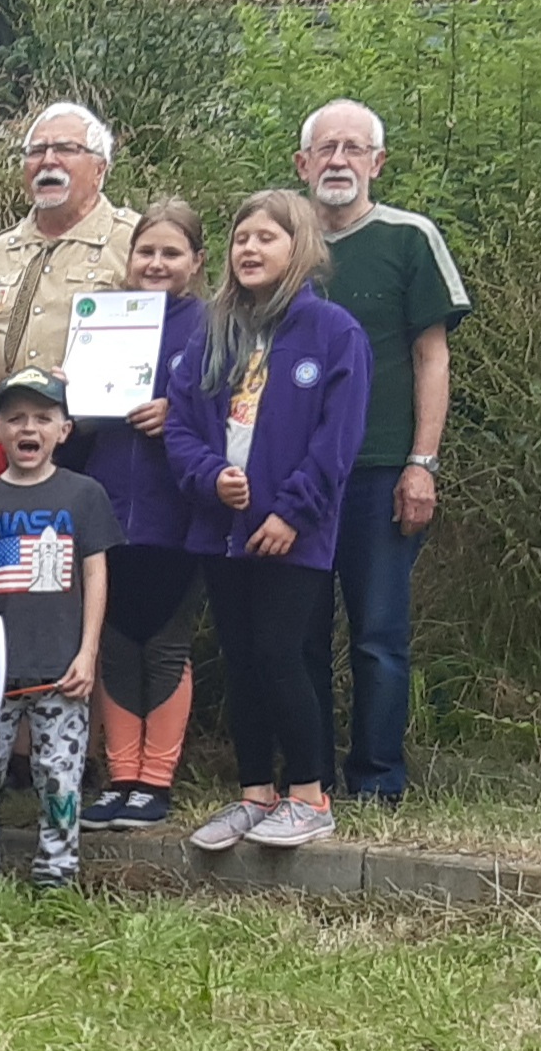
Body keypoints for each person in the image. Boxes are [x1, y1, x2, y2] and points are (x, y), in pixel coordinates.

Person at [165, 191, 371, 855]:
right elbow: (181, 425)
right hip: (221, 529)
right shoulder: (213, 331)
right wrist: (209, 478)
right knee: (242, 658)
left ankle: (309, 795)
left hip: (293, 532)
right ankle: (255, 793)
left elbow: (337, 441)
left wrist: (292, 512)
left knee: (282, 654)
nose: (249, 249)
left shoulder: (334, 332)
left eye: (266, 238)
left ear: (300, 248)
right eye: (240, 238)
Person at [298, 100, 469, 803]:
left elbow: (433, 357)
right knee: (298, 636)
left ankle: (377, 779)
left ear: (377, 162)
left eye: (353, 148)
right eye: (326, 148)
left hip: (380, 470)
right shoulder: (282, 243)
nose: (339, 160)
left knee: (377, 635)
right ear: (302, 164)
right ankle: (307, 776)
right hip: (295, 479)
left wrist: (421, 464)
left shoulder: (409, 238)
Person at [0, 370, 117, 889]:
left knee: (59, 776)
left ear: (64, 430)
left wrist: (88, 653)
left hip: (61, 669)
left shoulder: (84, 494)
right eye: (15, 418)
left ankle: (56, 874)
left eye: (42, 418)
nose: (28, 428)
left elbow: (95, 575)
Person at [79, 201, 210, 832]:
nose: (156, 264)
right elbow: (76, 424)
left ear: (197, 262)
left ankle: (155, 780)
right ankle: (119, 778)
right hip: (106, 506)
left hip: (176, 509)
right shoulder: (104, 319)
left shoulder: (213, 326)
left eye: (171, 253)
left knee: (163, 642)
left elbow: (236, 410)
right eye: (146, 252)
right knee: (115, 643)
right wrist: (71, 391)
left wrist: (177, 416)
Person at [0, 103, 142, 390]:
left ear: (99, 169)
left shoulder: (136, 241)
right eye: (37, 151)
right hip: (0, 416)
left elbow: (178, 328)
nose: (48, 161)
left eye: (65, 149)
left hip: (95, 418)